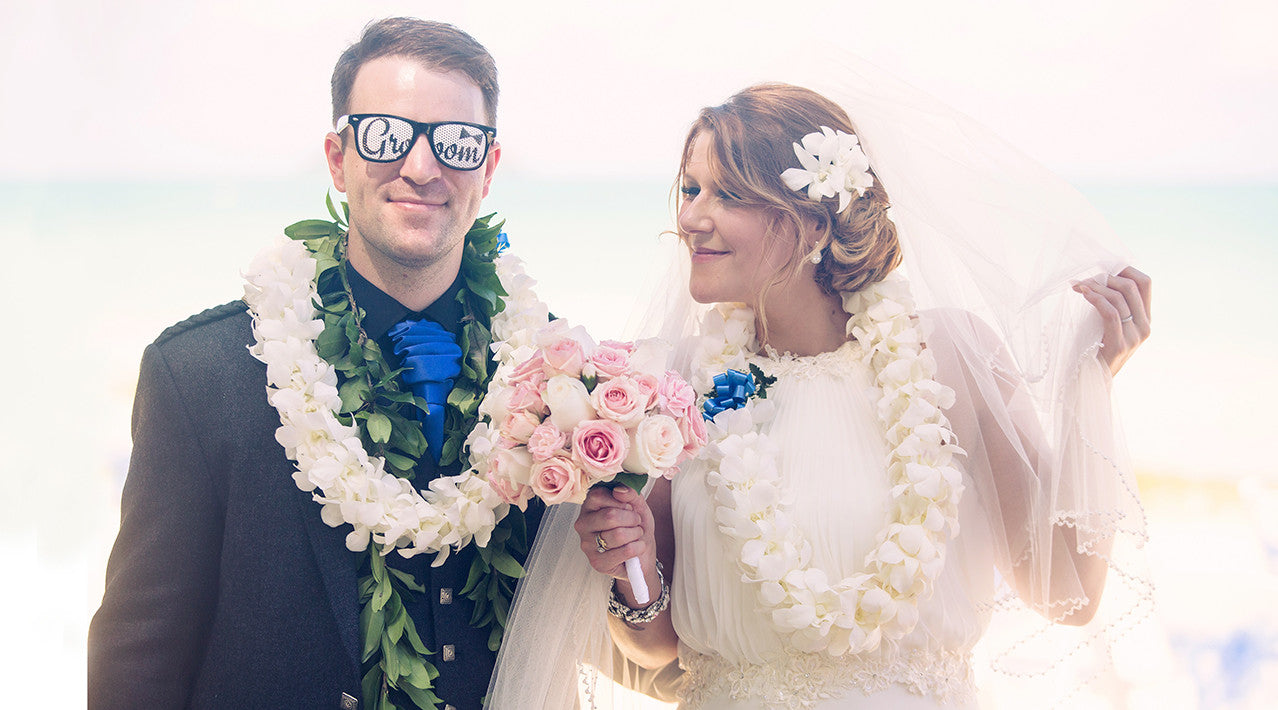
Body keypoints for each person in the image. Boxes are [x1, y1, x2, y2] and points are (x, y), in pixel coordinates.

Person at [489, 77, 1152, 709]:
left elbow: (1068, 590)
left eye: (727, 195)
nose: (690, 217)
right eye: (690, 189)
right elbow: (657, 648)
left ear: (811, 223)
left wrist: (1089, 381)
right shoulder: (671, 389)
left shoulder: (950, 358)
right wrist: (631, 570)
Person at [89, 18, 543, 710]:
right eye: (387, 136)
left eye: (456, 142)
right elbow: (138, 660)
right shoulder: (200, 377)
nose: (421, 168)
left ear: (488, 167)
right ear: (338, 157)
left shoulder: (553, 380)